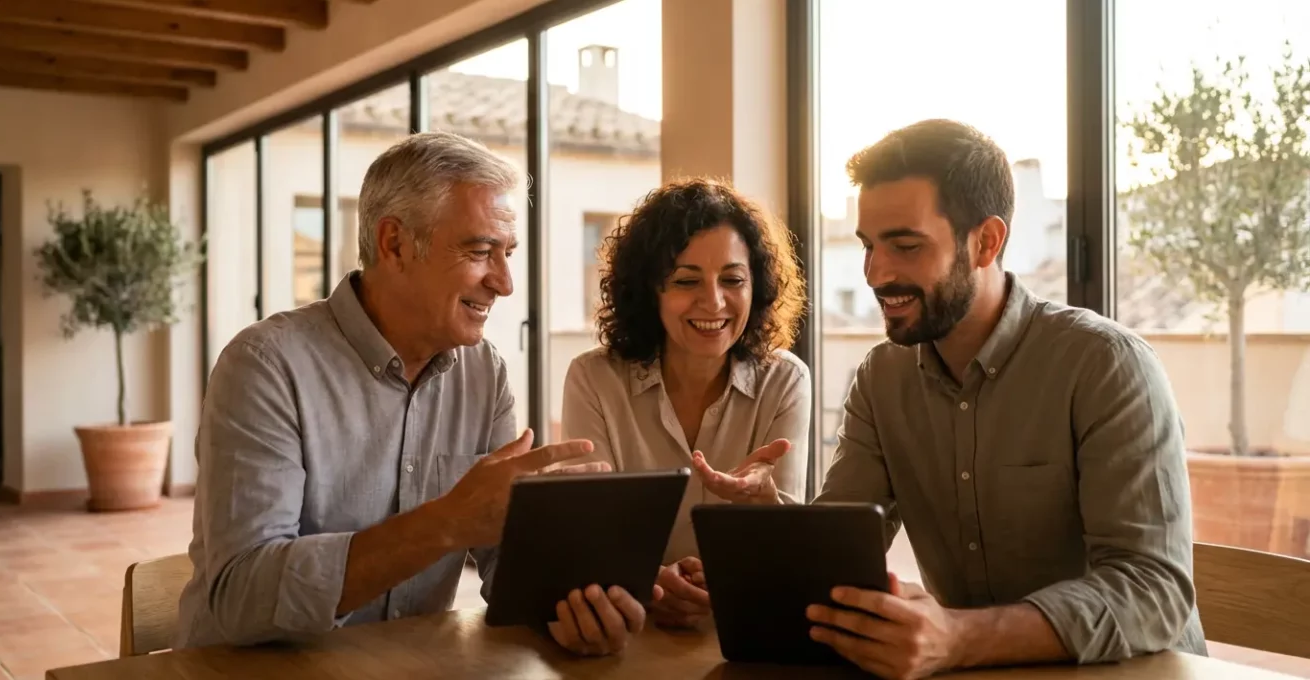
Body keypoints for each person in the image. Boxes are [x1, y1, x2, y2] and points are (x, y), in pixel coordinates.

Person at [693, 119, 1206, 678]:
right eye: (868, 246)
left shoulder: (1108, 365)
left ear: (986, 241)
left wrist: (959, 637)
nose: (876, 273)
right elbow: (843, 545)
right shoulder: (881, 379)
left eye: (906, 246)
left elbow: (1153, 590)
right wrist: (771, 518)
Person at [176, 131, 655, 657]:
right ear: (395, 245)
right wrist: (448, 522)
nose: (504, 282)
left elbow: (508, 569)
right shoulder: (265, 366)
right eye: (479, 251)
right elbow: (241, 597)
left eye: (508, 253)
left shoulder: (484, 373)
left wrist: (578, 603)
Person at [561, 178, 811, 629]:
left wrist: (765, 500)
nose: (713, 301)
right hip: (627, 629)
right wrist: (651, 583)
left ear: (757, 288)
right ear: (650, 291)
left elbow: (790, 555)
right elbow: (585, 538)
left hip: (744, 629)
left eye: (733, 279)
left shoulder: (786, 380)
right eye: (686, 280)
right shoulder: (593, 379)